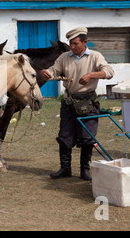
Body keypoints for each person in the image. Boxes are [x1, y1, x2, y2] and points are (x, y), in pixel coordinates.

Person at [41, 27, 114, 181]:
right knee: (65, 135)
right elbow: (54, 70)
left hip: (88, 101)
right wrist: (47, 73)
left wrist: (91, 75)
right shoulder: (64, 57)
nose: (72, 47)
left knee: (87, 137)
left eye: (75, 44)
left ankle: (85, 170)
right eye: (70, 44)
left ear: (85, 42)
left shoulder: (95, 56)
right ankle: (65, 168)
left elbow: (109, 72)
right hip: (69, 102)